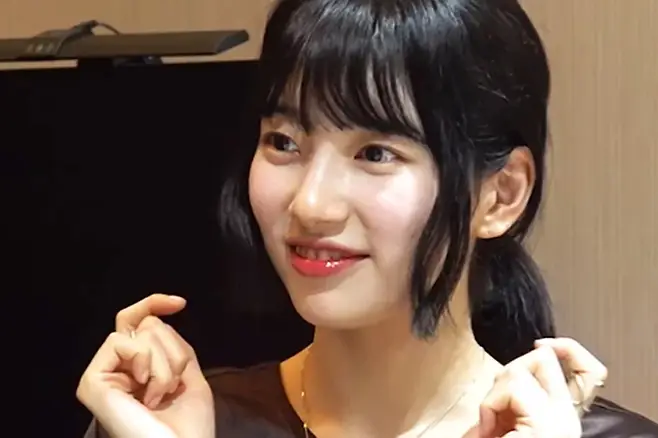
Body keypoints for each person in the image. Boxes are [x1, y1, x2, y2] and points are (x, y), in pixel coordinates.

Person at [77, 0, 658, 437]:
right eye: (284, 142)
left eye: (376, 153)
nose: (310, 204)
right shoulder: (171, 423)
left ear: (501, 195)